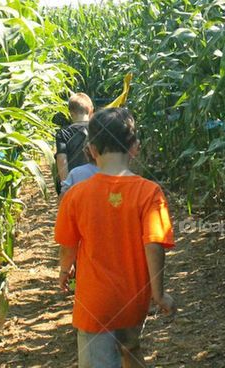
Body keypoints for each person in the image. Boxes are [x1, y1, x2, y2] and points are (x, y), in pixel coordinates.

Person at [54, 108, 175, 368]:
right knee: (130, 348)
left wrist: (64, 271)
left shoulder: (76, 195)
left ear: (91, 149)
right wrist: (159, 294)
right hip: (133, 301)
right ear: (135, 148)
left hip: (93, 304)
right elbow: (154, 245)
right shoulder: (150, 192)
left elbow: (68, 246)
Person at [54, 93, 94, 194]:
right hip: (96, 182)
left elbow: (61, 160)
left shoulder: (63, 133)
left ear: (71, 113)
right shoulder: (98, 130)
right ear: (90, 111)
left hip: (74, 183)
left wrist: (65, 186)